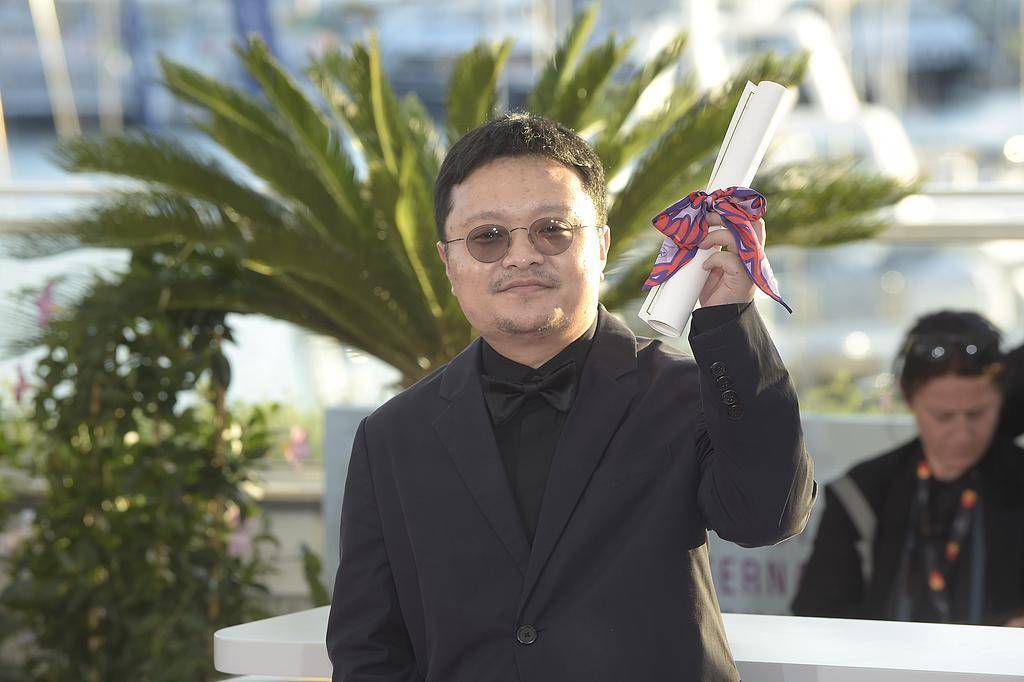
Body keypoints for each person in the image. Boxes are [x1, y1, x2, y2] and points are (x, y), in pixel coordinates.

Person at [327, 113, 816, 681]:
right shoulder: (392, 436)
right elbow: (369, 650)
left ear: (601, 245)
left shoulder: (685, 393)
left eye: (552, 230)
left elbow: (768, 516)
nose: (521, 256)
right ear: (449, 263)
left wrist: (729, 321)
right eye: (488, 237)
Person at [791, 311, 1024, 626]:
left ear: (1001, 399)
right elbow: (817, 620)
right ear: (909, 398)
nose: (962, 434)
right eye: (943, 416)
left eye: (978, 414)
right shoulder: (861, 495)